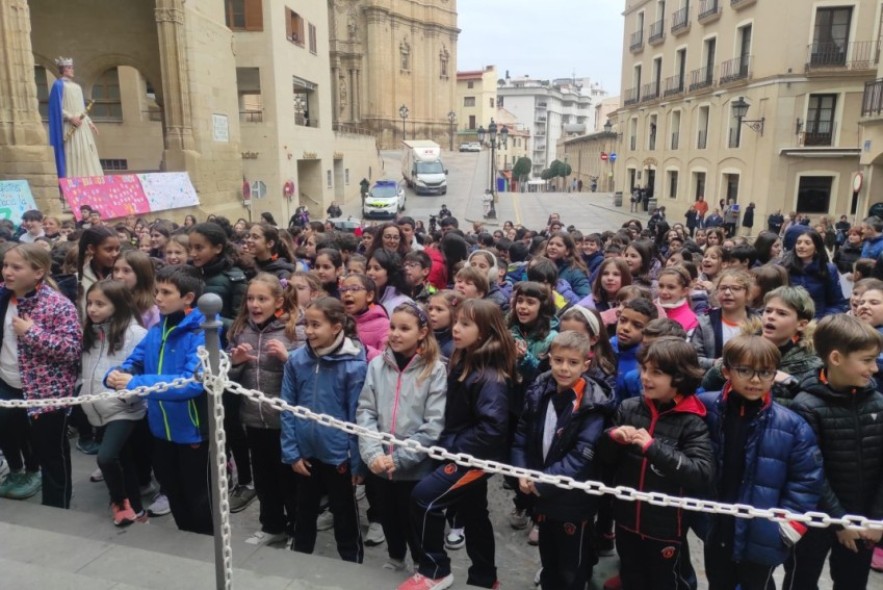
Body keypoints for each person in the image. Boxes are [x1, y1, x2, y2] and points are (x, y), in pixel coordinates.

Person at [403, 300, 516, 590]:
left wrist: (450, 446)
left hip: (473, 458)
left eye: (465, 324)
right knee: (474, 513)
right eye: (457, 322)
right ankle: (484, 577)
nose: (456, 328)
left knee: (424, 497)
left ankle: (435, 569)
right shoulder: (464, 359)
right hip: (461, 450)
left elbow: (491, 428)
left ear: (484, 332)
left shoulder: (490, 375)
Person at [698, 335, 823, 589]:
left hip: (763, 534)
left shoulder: (791, 425)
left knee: (759, 584)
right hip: (718, 526)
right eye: (745, 370)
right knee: (718, 581)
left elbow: (807, 480)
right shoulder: (705, 408)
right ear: (726, 371)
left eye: (765, 372)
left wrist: (787, 529)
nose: (755, 380)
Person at [599, 337, 714, 590]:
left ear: (680, 377)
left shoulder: (692, 421)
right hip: (627, 518)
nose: (646, 377)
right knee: (631, 573)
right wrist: (613, 438)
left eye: (656, 373)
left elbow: (700, 472)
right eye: (645, 369)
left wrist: (653, 448)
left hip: (666, 527)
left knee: (666, 580)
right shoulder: (629, 407)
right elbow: (605, 459)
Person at [105, 265, 210, 533]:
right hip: (161, 429)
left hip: (193, 432)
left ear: (188, 298)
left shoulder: (202, 333)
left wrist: (136, 383)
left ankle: (205, 542)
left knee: (197, 496)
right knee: (173, 490)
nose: (158, 298)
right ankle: (186, 536)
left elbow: (190, 384)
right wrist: (117, 375)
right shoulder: (157, 330)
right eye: (156, 291)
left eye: (166, 292)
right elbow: (135, 361)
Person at [784, 314, 883, 589]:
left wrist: (876, 517)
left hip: (863, 519)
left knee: (852, 581)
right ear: (836, 358)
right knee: (801, 579)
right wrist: (840, 522)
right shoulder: (806, 406)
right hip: (816, 518)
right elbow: (810, 470)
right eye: (866, 360)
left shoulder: (878, 403)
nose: (874, 368)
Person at [511, 331, 614, 590]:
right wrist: (522, 472)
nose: (564, 368)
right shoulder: (539, 390)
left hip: (573, 500)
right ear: (549, 359)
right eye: (558, 360)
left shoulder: (592, 404)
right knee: (549, 555)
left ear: (586, 365)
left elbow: (582, 455)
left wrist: (542, 482)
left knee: (573, 563)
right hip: (540, 493)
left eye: (572, 362)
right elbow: (522, 435)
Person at [357, 302, 447, 573]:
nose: (395, 333)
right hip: (380, 465)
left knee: (414, 521)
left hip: (414, 467)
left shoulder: (434, 369)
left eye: (404, 328)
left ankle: (422, 565)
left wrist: (402, 457)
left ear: (422, 332)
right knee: (388, 516)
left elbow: (434, 424)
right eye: (393, 327)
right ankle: (396, 557)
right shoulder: (377, 365)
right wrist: (373, 454)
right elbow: (366, 410)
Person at [281, 297, 368, 563]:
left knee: (344, 512)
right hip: (305, 452)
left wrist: (356, 462)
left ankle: (351, 561)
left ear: (337, 326)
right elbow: (287, 407)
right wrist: (291, 452)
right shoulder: (296, 360)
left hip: (338, 454)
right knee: (303, 508)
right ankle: (300, 556)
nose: (308, 331)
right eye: (306, 324)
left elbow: (357, 417)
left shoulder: (354, 365)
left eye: (316, 325)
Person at [0, 245, 82, 508]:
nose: (7, 272)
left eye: (16, 267)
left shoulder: (57, 304)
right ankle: (20, 471)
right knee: (12, 435)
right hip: (8, 386)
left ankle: (57, 507)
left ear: (39, 272)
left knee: (52, 455)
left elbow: (72, 350)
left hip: (47, 394)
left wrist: (32, 333)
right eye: (5, 265)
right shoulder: (2, 297)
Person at [227, 273, 304, 546]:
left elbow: (308, 373)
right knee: (263, 478)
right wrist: (235, 363)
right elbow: (229, 379)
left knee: (289, 482)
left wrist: (288, 358)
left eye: (262, 299)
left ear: (279, 301)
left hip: (285, 422)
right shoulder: (240, 330)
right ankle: (272, 526)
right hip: (254, 419)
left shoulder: (294, 330)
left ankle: (297, 531)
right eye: (250, 298)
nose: (255, 304)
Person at [81, 280, 149, 525]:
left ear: (119, 306)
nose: (92, 309)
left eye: (100, 304)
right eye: (90, 303)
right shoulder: (91, 332)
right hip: (97, 408)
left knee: (106, 457)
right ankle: (136, 509)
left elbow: (141, 370)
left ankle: (118, 500)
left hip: (124, 408)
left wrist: (126, 395)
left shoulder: (136, 334)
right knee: (123, 459)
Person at [48, 57, 103, 178]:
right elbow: (56, 108)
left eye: (72, 67)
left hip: (82, 125)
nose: (72, 70)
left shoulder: (77, 86)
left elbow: (82, 108)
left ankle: (90, 178)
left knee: (87, 151)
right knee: (72, 152)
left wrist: (89, 122)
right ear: (63, 70)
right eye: (69, 68)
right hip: (70, 125)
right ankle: (72, 179)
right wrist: (70, 117)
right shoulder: (58, 85)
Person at [781, 229, 847, 318]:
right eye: (798, 242)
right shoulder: (784, 268)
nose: (801, 246)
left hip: (816, 322)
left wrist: (822, 321)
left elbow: (838, 304)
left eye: (807, 243)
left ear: (816, 247)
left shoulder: (829, 269)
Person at [341, 273, 388, 361]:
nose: (347, 293)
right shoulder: (339, 322)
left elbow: (387, 359)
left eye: (354, 289)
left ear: (369, 296)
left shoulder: (383, 325)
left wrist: (364, 350)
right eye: (343, 290)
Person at [112, 250, 160, 328]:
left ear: (141, 274)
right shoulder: (110, 302)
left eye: (126, 271)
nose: (118, 276)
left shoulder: (152, 312)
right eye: (116, 270)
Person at [426, 289, 463, 361]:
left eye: (439, 309)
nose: (432, 313)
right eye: (430, 309)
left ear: (454, 313)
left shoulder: (452, 349)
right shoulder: (423, 336)